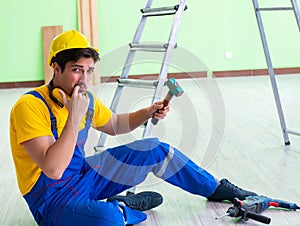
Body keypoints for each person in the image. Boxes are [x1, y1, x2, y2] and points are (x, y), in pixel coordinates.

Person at [10, 30, 257, 226]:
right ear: (56, 68)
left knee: (154, 149)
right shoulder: (29, 106)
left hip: (83, 176)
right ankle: (122, 207)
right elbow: (53, 169)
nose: (84, 80)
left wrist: (147, 112)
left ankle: (215, 188)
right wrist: (74, 118)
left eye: (89, 71)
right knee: (108, 219)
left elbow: (115, 124)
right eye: (77, 70)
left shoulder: (86, 100)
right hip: (51, 199)